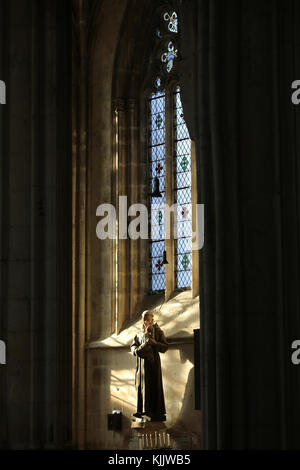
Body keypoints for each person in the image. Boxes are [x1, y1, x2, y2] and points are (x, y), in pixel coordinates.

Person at [130, 310, 168, 421]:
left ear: (152, 319)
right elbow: (133, 347)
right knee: (141, 386)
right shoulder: (138, 333)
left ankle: (155, 411)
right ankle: (142, 410)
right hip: (141, 365)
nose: (146, 321)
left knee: (153, 386)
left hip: (153, 364)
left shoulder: (158, 331)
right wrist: (139, 348)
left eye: (148, 318)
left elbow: (165, 347)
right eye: (144, 318)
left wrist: (155, 343)